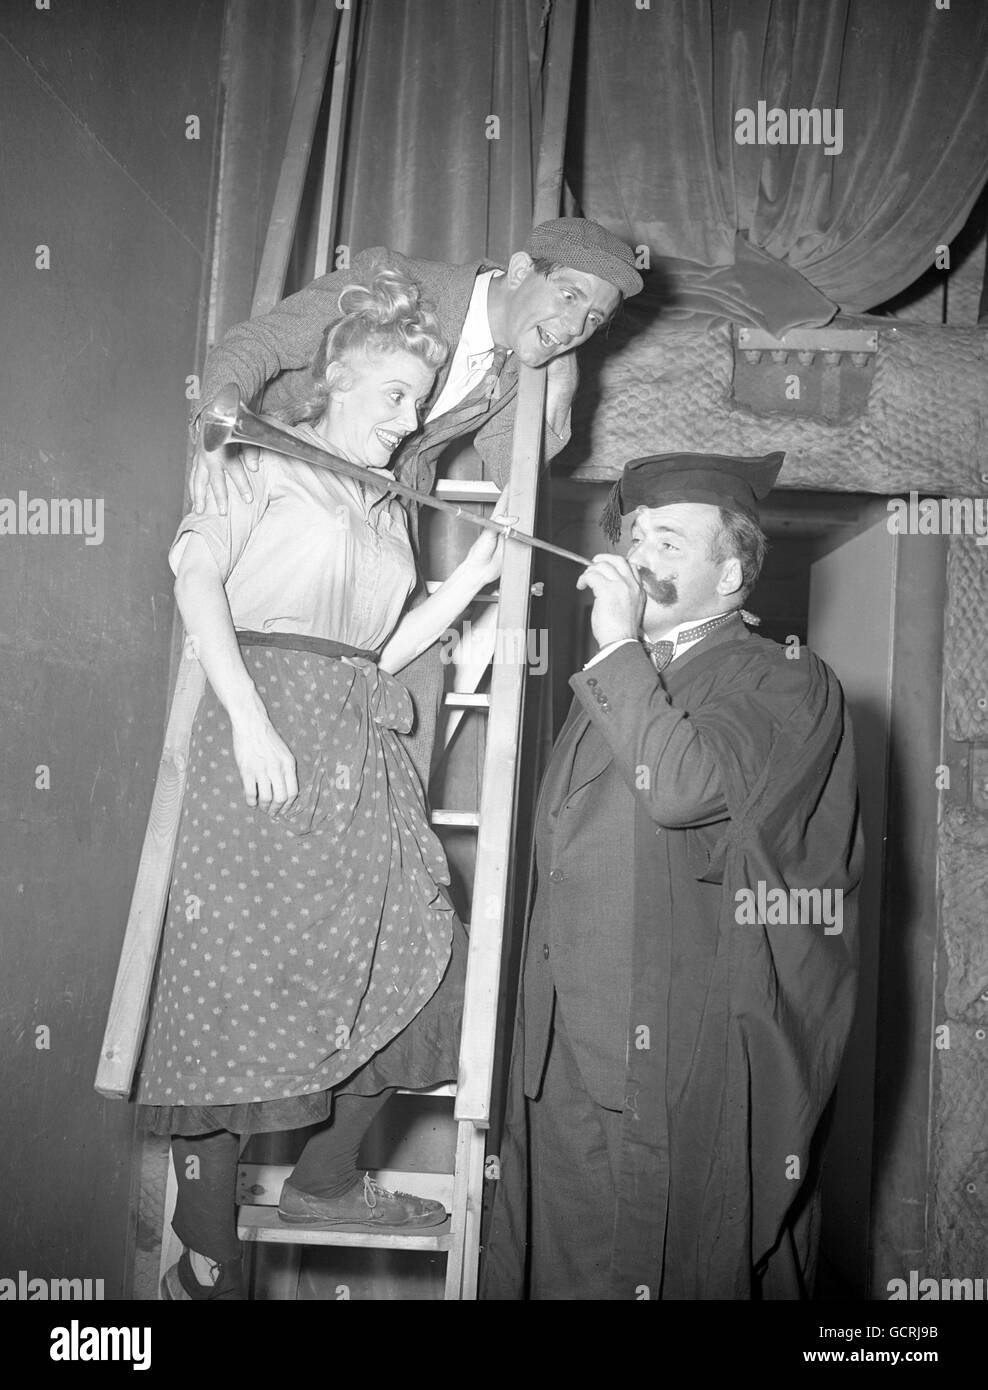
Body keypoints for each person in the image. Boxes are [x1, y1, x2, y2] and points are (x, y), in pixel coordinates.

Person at [136, 264, 507, 1301]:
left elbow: (381, 652)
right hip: (259, 735)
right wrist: (249, 719)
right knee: (227, 987)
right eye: (394, 394)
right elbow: (194, 576)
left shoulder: (385, 503)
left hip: (355, 747)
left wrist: (472, 578)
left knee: (428, 967)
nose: (410, 416)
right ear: (335, 380)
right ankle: (204, 1254)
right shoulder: (254, 458)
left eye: (419, 399)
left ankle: (326, 1178)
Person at [482, 451, 864, 1301]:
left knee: (673, 1264)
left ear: (731, 573)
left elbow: (683, 789)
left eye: (670, 540)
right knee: (567, 1268)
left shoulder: (783, 677)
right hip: (570, 1047)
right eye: (633, 535)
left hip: (677, 1049)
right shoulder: (616, 684)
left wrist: (619, 640)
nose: (640, 553)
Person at [190, 219, 644, 783]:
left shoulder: (521, 369)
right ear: (522, 269)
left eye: (593, 319)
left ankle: (385, 818)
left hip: (386, 511)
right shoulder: (397, 282)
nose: (576, 326)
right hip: (295, 478)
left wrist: (560, 384)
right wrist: (215, 429)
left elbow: (512, 469)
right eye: (570, 296)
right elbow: (258, 344)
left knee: (418, 676)